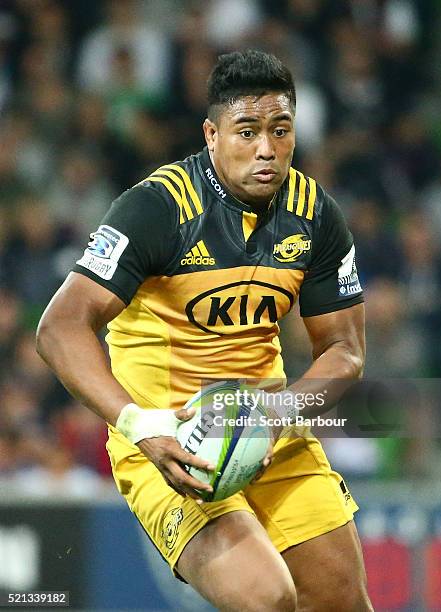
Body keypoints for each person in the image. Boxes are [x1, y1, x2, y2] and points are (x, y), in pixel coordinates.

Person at [37, 50, 372, 611]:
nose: (266, 149)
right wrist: (141, 425)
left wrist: (280, 413)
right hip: (171, 446)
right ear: (212, 135)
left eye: (280, 130)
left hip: (270, 433)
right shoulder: (156, 209)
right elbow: (59, 327)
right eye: (247, 131)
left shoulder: (316, 215)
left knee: (344, 603)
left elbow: (346, 350)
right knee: (268, 598)